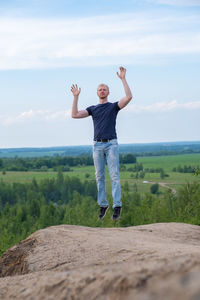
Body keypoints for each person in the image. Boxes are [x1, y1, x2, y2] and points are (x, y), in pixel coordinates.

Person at [71, 66, 132, 220]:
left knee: (114, 176)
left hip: (111, 144)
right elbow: (75, 115)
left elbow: (129, 97)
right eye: (100, 89)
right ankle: (103, 205)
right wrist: (76, 97)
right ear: (97, 93)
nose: (102, 91)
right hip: (97, 145)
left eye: (104, 89)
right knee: (99, 176)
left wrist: (123, 79)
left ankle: (117, 205)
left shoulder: (113, 107)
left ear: (108, 92)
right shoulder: (93, 109)